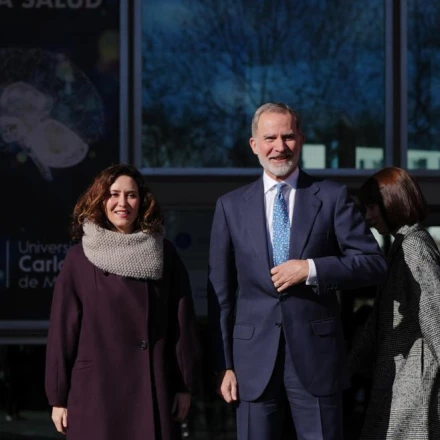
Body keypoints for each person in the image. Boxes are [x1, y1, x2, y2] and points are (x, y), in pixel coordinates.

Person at [207, 102, 387, 440]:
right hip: (252, 362)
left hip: (317, 357)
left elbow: (373, 264)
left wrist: (311, 268)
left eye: (288, 137)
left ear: (300, 139)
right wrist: (224, 364)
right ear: (254, 144)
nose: (279, 147)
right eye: (270, 138)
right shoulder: (230, 207)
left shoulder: (332, 197)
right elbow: (220, 293)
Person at [45, 163, 200, 440]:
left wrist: (184, 385)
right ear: (101, 200)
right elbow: (62, 332)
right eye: (113, 194)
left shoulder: (164, 253)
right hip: (96, 393)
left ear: (142, 202)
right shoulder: (79, 259)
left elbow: (182, 324)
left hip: (153, 386)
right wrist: (58, 396)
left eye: (131, 195)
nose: (122, 203)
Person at [349, 167, 440, 439]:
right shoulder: (401, 244)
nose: (368, 217)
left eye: (372, 207)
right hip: (401, 381)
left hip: (414, 387)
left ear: (392, 200)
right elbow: (379, 319)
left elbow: (436, 317)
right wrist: (348, 369)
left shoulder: (414, 246)